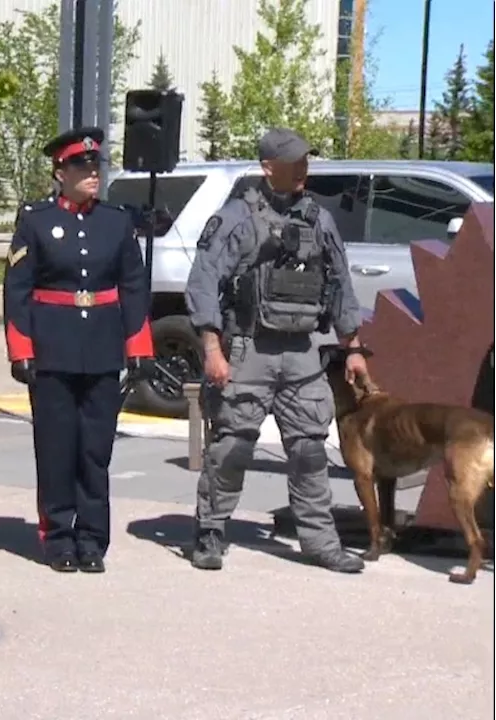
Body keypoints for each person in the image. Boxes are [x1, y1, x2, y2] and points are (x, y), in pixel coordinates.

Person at [184, 127, 368, 574]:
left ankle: (320, 542)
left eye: (306, 159)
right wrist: (213, 348)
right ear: (269, 167)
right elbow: (204, 282)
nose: (303, 167)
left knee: (308, 449)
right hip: (248, 349)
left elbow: (341, 283)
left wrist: (355, 347)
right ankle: (211, 530)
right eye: (294, 160)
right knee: (232, 445)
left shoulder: (318, 220)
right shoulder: (236, 217)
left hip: (302, 351)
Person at [3, 127, 155, 575]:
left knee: (95, 450)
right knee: (55, 449)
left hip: (103, 349)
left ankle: (92, 538)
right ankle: (58, 537)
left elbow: (133, 286)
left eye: (96, 166)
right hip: (53, 349)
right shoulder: (35, 221)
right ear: (60, 172)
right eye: (81, 166)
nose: (92, 173)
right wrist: (21, 349)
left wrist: (138, 345)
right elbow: (18, 289)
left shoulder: (116, 221)